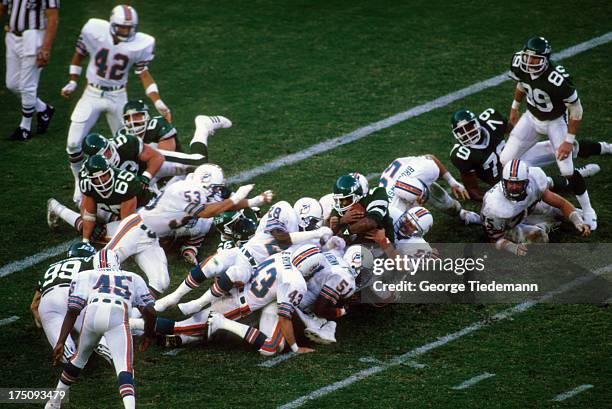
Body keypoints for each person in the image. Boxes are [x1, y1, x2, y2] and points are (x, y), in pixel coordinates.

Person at [61, 5, 170, 205]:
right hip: (91, 93)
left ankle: (139, 183)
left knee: (130, 143)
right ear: (112, 25)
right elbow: (79, 54)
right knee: (73, 143)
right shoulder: (94, 29)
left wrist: (158, 101)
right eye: (122, 28)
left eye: (130, 28)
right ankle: (79, 180)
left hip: (118, 95)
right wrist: (73, 81)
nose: (127, 32)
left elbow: (143, 73)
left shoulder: (141, 44)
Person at [503, 36, 597, 229]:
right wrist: (515, 106)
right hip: (531, 117)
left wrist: (569, 140)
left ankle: (587, 209)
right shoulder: (519, 64)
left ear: (546, 59)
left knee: (567, 170)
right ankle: (530, 193)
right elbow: (522, 83)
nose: (530, 62)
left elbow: (576, 109)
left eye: (536, 59)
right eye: (528, 57)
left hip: (554, 122)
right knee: (506, 160)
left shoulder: (557, 78)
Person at [44, 249, 157, 409]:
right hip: (117, 317)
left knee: (78, 360)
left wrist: (61, 340)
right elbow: (151, 311)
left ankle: (53, 403)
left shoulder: (85, 275)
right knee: (124, 368)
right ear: (117, 262)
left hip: (92, 315)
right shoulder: (133, 277)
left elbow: (73, 311)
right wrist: (148, 334)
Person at [1, 0, 58, 141]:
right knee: (12, 84)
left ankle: (25, 128)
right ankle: (43, 109)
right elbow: (3, 7)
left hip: (33, 37)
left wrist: (46, 48)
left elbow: (52, 17)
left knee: (27, 86)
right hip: (12, 36)